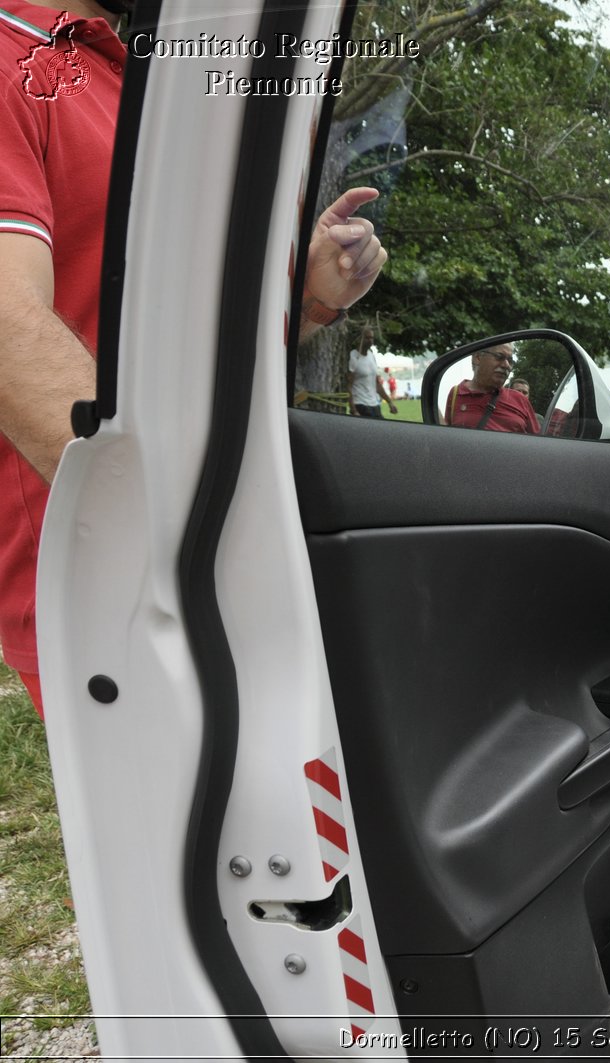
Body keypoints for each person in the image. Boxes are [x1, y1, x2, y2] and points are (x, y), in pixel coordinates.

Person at [0, 0, 389, 717]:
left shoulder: (126, 81)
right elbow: (5, 323)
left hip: (190, 545)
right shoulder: (10, 53)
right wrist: (199, 519)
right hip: (109, 573)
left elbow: (170, 337)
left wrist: (301, 300)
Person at [443, 344, 540, 434]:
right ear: (477, 357)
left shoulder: (520, 399)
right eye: (499, 357)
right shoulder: (456, 393)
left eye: (510, 361)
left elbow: (539, 444)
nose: (506, 365)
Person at [348, 328, 398, 418]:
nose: (370, 340)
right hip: (360, 405)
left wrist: (390, 402)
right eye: (367, 338)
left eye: (371, 338)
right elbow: (349, 385)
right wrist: (353, 410)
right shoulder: (353, 356)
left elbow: (377, 384)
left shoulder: (371, 356)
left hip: (374, 404)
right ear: (360, 339)